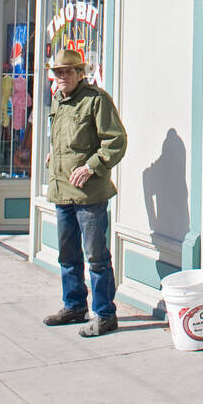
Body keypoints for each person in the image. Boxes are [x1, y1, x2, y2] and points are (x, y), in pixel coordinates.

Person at [42, 49, 128, 337]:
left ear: (81, 74)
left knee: (96, 257)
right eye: (57, 72)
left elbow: (115, 141)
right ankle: (75, 305)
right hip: (61, 189)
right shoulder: (58, 100)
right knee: (67, 255)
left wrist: (92, 167)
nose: (62, 77)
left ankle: (105, 314)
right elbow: (65, 138)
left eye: (67, 72)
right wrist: (54, 154)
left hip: (89, 194)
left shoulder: (96, 100)